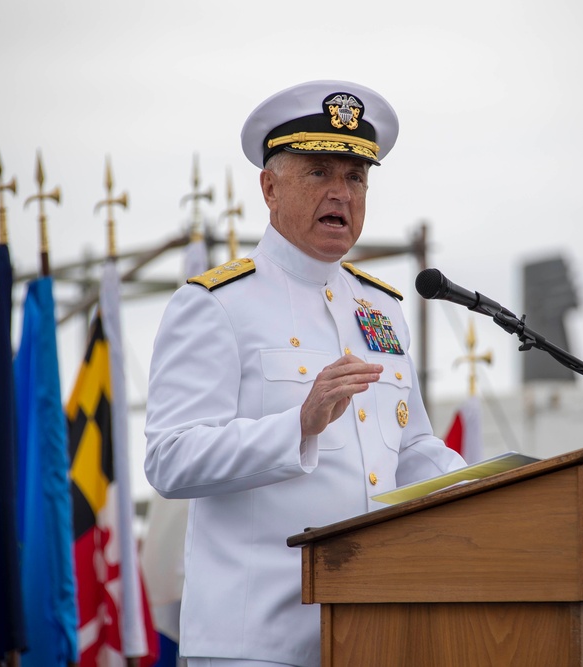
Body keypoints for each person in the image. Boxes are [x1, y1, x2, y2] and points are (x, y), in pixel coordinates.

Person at [144, 80, 467, 667]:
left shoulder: (382, 308)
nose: (341, 193)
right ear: (269, 188)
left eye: (356, 178)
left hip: (372, 633)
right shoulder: (216, 304)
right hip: (256, 643)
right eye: (319, 173)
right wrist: (298, 424)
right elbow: (169, 458)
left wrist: (499, 488)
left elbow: (412, 447)